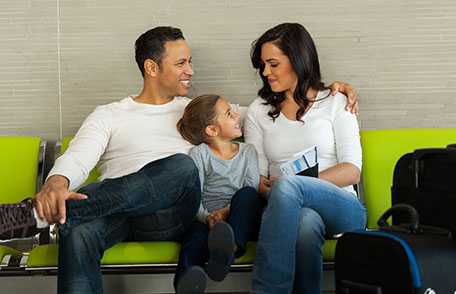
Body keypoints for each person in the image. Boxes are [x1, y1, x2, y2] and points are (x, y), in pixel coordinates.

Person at [0, 25, 358, 294]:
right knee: (78, 233)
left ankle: (35, 216)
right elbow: (77, 158)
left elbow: (274, 113)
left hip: (173, 213)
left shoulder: (199, 111)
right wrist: (55, 184)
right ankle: (47, 215)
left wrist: (328, 89)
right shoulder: (109, 114)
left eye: (191, 62)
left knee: (181, 166)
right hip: (117, 213)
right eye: (182, 62)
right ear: (152, 68)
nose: (191, 70)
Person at [244, 23, 367, 294]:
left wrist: (299, 185)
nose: (266, 73)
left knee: (289, 185)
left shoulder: (337, 101)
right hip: (287, 211)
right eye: (263, 65)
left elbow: (351, 171)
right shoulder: (257, 111)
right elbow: (259, 178)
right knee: (305, 223)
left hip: (342, 206)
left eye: (273, 64)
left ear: (298, 59)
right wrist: (269, 186)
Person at [174, 94, 264, 293]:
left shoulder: (248, 151)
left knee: (248, 193)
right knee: (194, 240)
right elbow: (194, 195)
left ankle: (229, 250)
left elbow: (252, 188)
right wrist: (208, 218)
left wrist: (225, 213)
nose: (237, 115)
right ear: (212, 130)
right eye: (230, 114)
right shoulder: (200, 154)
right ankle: (186, 283)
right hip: (209, 221)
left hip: (240, 218)